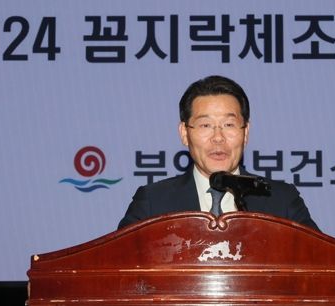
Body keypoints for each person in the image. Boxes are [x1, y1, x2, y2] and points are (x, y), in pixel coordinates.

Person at [118, 75, 319, 231]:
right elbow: (115, 263)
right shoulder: (153, 202)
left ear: (246, 132)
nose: (218, 137)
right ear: (184, 133)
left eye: (229, 124)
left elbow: (322, 261)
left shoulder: (281, 200)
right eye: (205, 125)